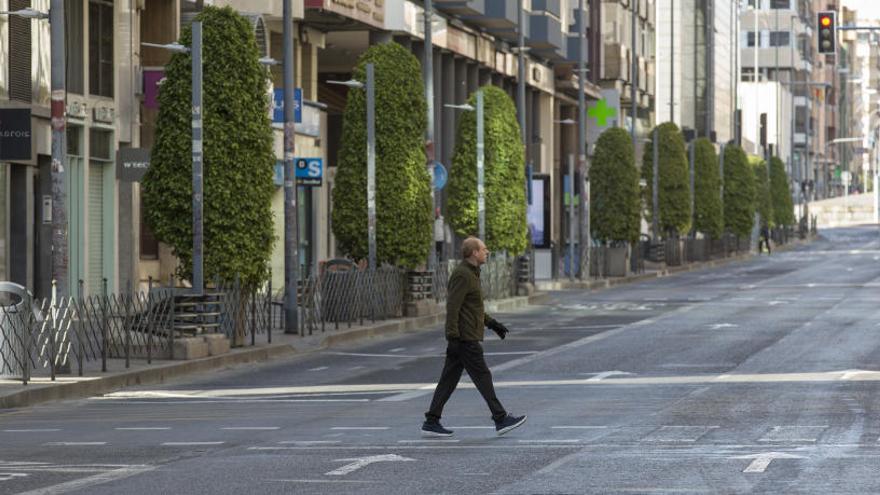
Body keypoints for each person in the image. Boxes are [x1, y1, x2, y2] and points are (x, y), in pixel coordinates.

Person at [421, 237, 527, 437]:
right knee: (483, 376)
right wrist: (452, 336)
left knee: (448, 381)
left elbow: (473, 309)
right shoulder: (462, 275)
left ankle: (431, 420)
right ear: (474, 253)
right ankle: (500, 418)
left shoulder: (472, 274)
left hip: (464, 336)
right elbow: (453, 307)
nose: (487, 252)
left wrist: (493, 324)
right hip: (464, 338)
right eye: (484, 249)